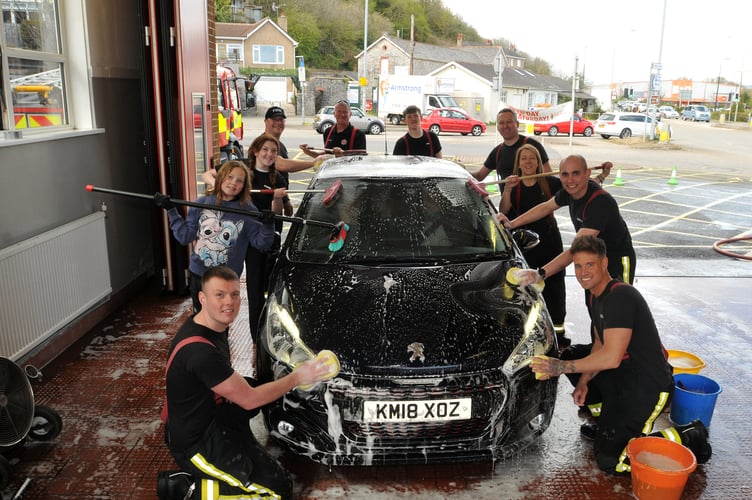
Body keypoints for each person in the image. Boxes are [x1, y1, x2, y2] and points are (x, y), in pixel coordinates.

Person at [530, 235, 711, 474]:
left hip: (647, 385)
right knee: (572, 354)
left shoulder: (620, 297)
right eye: (578, 266)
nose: (583, 272)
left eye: (590, 265)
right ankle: (610, 423)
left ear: (604, 263)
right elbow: (598, 345)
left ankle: (689, 435)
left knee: (612, 462)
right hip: (623, 374)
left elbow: (611, 357)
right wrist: (584, 381)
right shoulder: (595, 295)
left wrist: (559, 368)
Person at [160, 266, 333, 499]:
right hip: (194, 444)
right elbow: (250, 400)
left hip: (211, 416)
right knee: (274, 492)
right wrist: (297, 377)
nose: (229, 303)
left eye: (234, 294)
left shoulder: (211, 325)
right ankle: (185, 489)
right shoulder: (200, 352)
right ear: (202, 298)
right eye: (219, 295)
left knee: (257, 385)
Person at [163, 160, 280, 312]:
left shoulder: (247, 210)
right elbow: (184, 236)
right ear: (220, 177)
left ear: (244, 186)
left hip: (226, 279)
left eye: (239, 181)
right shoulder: (202, 203)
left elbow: (261, 244)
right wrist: (171, 211)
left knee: (221, 320)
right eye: (229, 177)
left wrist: (267, 225)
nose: (233, 183)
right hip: (200, 274)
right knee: (201, 320)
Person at [499, 154, 631, 286]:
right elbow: (545, 207)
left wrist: (540, 274)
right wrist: (512, 224)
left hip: (616, 259)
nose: (570, 180)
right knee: (595, 304)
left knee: (618, 301)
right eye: (565, 174)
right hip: (592, 258)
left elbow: (576, 248)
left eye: (576, 173)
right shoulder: (570, 191)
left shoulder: (599, 203)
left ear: (587, 173)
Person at [501, 144, 567, 347]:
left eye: (532, 158)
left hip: (550, 243)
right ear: (518, 164)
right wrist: (509, 189)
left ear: (538, 162)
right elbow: (504, 208)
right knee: (525, 288)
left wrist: (600, 177)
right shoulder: (513, 184)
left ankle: (558, 336)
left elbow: (576, 189)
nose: (528, 162)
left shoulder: (550, 182)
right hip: (525, 245)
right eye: (524, 159)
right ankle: (526, 334)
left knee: (555, 288)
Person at [245, 134, 288, 341]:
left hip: (272, 240)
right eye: (266, 150)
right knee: (255, 291)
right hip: (252, 242)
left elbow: (282, 213)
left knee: (272, 290)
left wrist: (277, 200)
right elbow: (214, 176)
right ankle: (256, 338)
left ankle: (272, 335)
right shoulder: (245, 175)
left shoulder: (277, 178)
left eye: (274, 151)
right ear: (255, 151)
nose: (269, 154)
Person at [472, 108, 551, 182]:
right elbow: (479, 176)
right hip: (506, 197)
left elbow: (549, 176)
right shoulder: (497, 152)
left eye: (509, 122)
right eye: (501, 123)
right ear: (497, 127)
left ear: (517, 124)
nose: (505, 126)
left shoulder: (533, 146)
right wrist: (460, 171)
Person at [301, 100, 366, 158]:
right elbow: (326, 155)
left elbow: (361, 160)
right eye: (339, 111)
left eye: (345, 112)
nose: (342, 114)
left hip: (347, 171)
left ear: (350, 114)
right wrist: (308, 152)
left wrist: (342, 156)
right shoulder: (327, 132)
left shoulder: (359, 135)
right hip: (329, 171)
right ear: (334, 114)